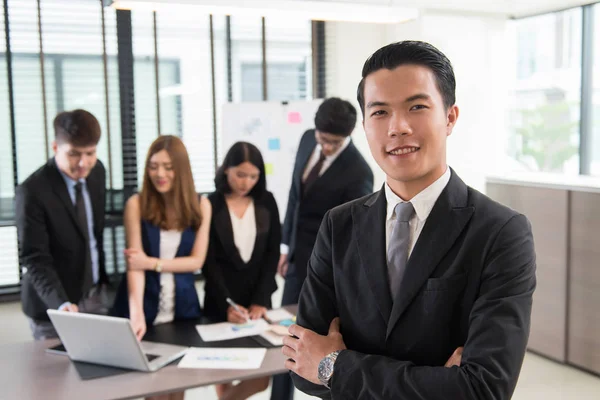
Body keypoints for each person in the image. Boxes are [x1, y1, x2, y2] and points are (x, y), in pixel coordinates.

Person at [283, 41, 537, 399]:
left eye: (416, 106)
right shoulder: (339, 225)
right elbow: (301, 369)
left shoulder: (500, 232)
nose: (397, 127)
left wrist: (334, 366)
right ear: (366, 125)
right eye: (380, 112)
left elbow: (483, 390)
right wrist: (436, 382)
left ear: (449, 117)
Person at [272, 97, 374, 400]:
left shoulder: (359, 172)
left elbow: (351, 235)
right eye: (322, 139)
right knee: (287, 338)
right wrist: (284, 245)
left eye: (334, 142)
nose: (326, 146)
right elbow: (295, 197)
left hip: (326, 269)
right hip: (295, 258)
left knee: (320, 339)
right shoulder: (306, 139)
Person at [16, 109, 109, 340]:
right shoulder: (32, 191)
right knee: (58, 375)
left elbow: (93, 234)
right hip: (54, 307)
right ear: (55, 147)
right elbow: (34, 258)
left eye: (90, 153)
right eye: (74, 154)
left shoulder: (97, 172)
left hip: (95, 297)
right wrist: (61, 303)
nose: (83, 163)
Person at [112, 135, 211, 342]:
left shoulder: (201, 205)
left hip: (184, 307)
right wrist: (136, 312)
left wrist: (151, 263)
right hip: (143, 305)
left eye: (168, 167)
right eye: (153, 166)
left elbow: (196, 261)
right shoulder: (136, 204)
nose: (160, 174)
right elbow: (135, 265)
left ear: (181, 169)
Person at [202, 142, 281, 400]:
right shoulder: (210, 203)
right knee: (222, 376)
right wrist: (227, 304)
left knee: (260, 378)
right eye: (240, 174)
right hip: (221, 301)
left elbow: (272, 255)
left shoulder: (266, 201)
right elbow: (209, 261)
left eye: (253, 176)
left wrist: (260, 300)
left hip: (257, 301)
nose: (246, 182)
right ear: (226, 170)